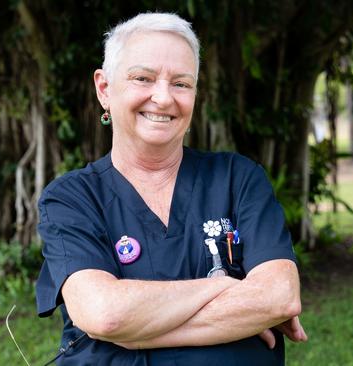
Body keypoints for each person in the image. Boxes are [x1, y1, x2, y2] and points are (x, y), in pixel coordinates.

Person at [35, 12, 307, 365]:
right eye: (143, 78)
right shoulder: (72, 198)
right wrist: (225, 286)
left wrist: (135, 333)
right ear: (104, 89)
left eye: (181, 83)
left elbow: (279, 297)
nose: (163, 98)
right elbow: (104, 313)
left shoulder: (237, 178)